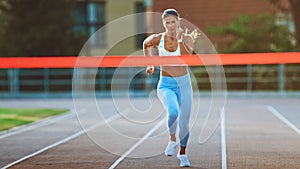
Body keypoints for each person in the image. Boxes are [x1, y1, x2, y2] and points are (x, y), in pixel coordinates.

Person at [143, 9, 196, 167]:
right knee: (173, 112)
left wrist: (180, 40)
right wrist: (150, 63)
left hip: (184, 84)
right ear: (163, 23)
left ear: (178, 22)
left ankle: (183, 153)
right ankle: (172, 139)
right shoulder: (158, 38)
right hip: (166, 84)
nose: (171, 25)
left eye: (173, 22)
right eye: (167, 22)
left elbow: (188, 57)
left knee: (185, 123)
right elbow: (145, 44)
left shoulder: (186, 38)